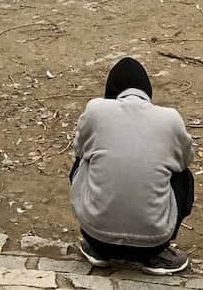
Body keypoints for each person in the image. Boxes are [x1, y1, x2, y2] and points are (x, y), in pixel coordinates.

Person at [70, 57, 194, 275]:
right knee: (182, 174)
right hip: (152, 242)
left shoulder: (95, 110)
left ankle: (99, 250)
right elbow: (185, 159)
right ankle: (156, 255)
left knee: (84, 160)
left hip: (97, 236)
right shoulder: (170, 119)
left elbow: (79, 150)